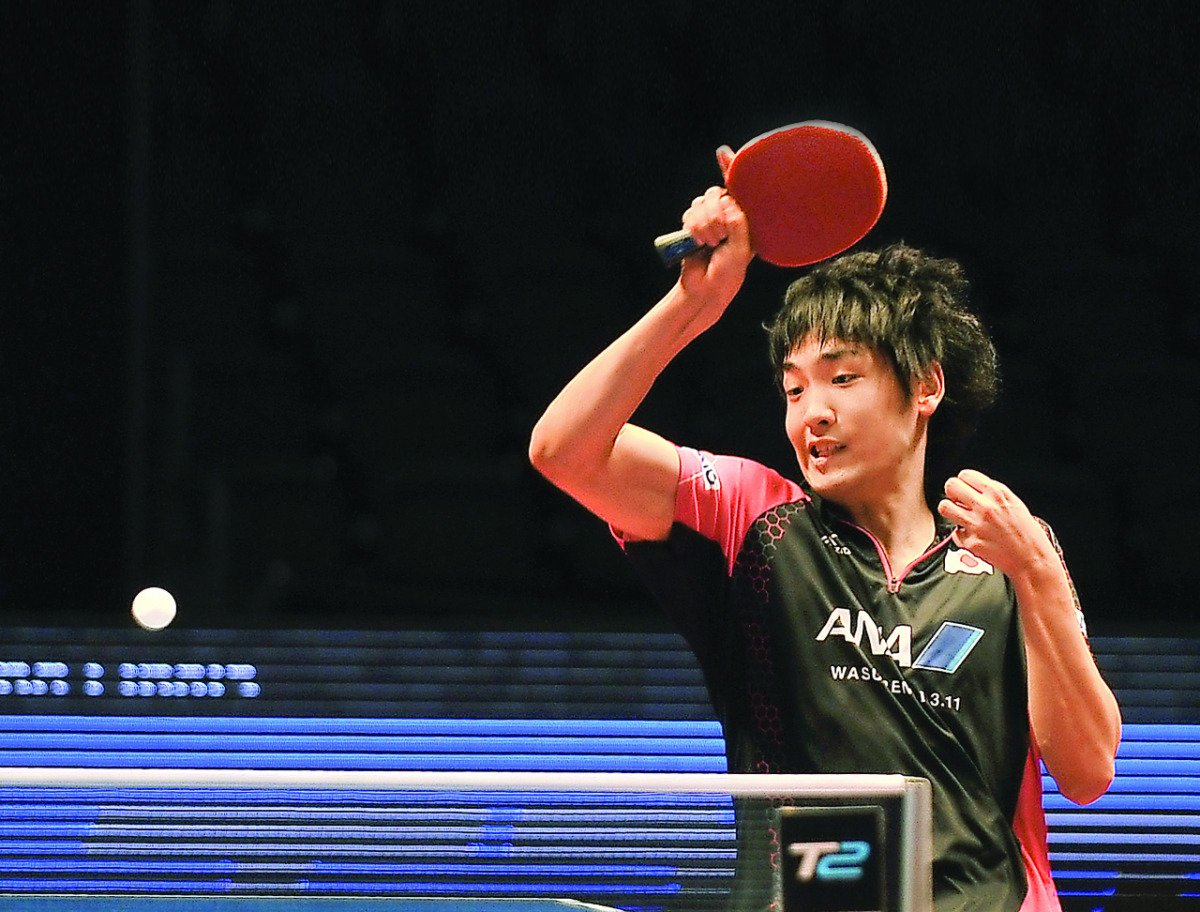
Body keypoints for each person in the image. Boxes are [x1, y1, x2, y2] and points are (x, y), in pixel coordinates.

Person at [528, 182, 1121, 912]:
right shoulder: (753, 519)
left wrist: (1036, 573)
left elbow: (1089, 770)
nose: (814, 413)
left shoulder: (1007, 552)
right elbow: (564, 452)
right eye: (793, 390)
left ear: (925, 386)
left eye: (842, 378)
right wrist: (694, 308)